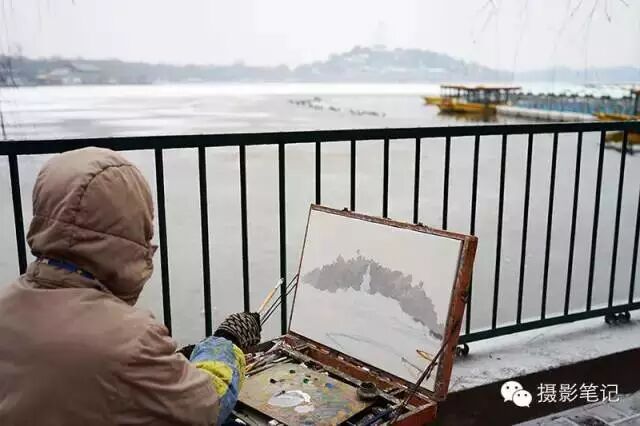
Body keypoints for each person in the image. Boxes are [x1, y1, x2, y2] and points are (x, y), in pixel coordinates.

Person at [0, 147, 261, 426]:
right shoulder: (128, 340)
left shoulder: (6, 307)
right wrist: (225, 343)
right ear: (132, 230)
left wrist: (167, 363)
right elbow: (206, 406)